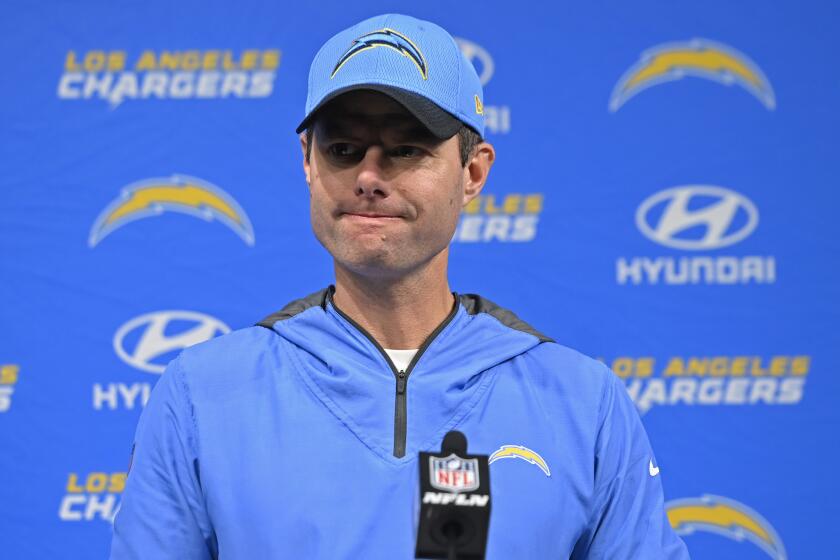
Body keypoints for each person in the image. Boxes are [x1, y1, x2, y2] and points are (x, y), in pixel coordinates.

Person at [110, 13, 690, 559]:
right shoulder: (202, 394)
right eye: (343, 149)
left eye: (406, 149)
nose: (368, 177)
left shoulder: (583, 403)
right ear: (307, 163)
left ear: (473, 172)